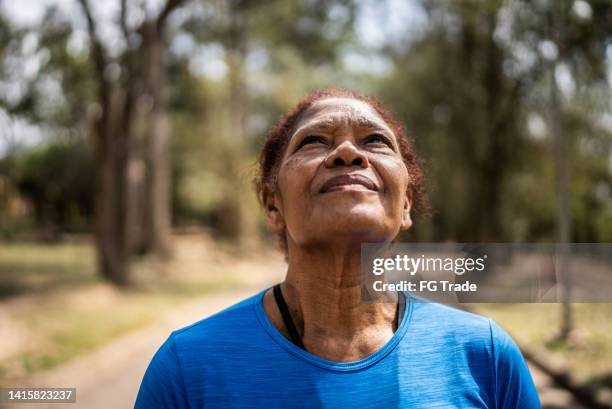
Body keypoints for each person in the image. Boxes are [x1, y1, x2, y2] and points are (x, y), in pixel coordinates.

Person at [134, 88, 541, 408]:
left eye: (375, 141)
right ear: (273, 204)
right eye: (313, 141)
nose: (347, 152)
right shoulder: (187, 370)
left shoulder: (485, 356)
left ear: (405, 205)